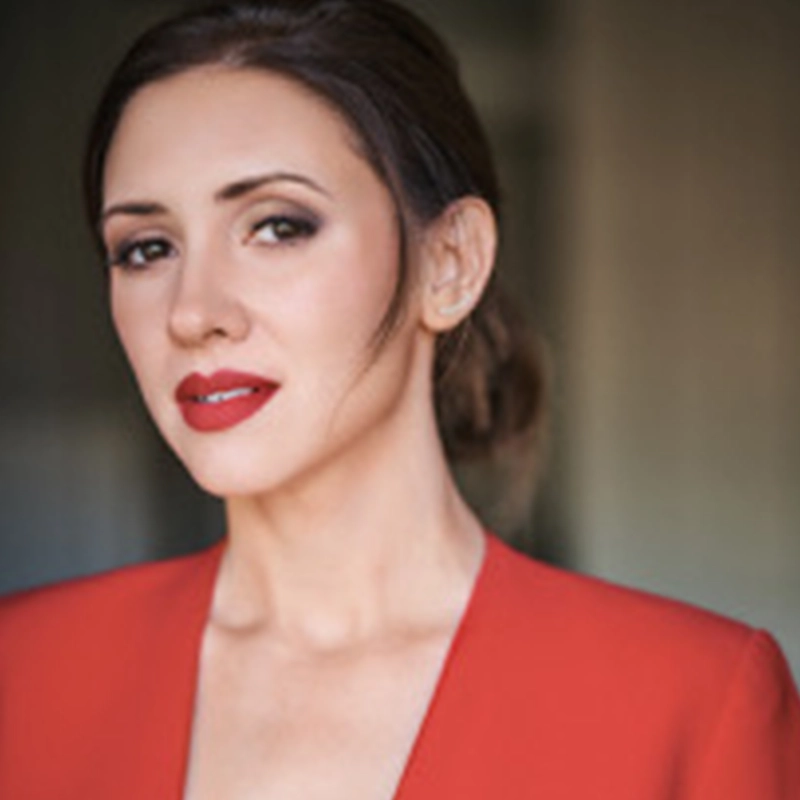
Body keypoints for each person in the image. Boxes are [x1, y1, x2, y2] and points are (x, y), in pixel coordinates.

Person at [0, 0, 798, 797]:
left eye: (277, 227)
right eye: (146, 248)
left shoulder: (696, 704)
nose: (191, 312)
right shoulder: (22, 675)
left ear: (449, 263)